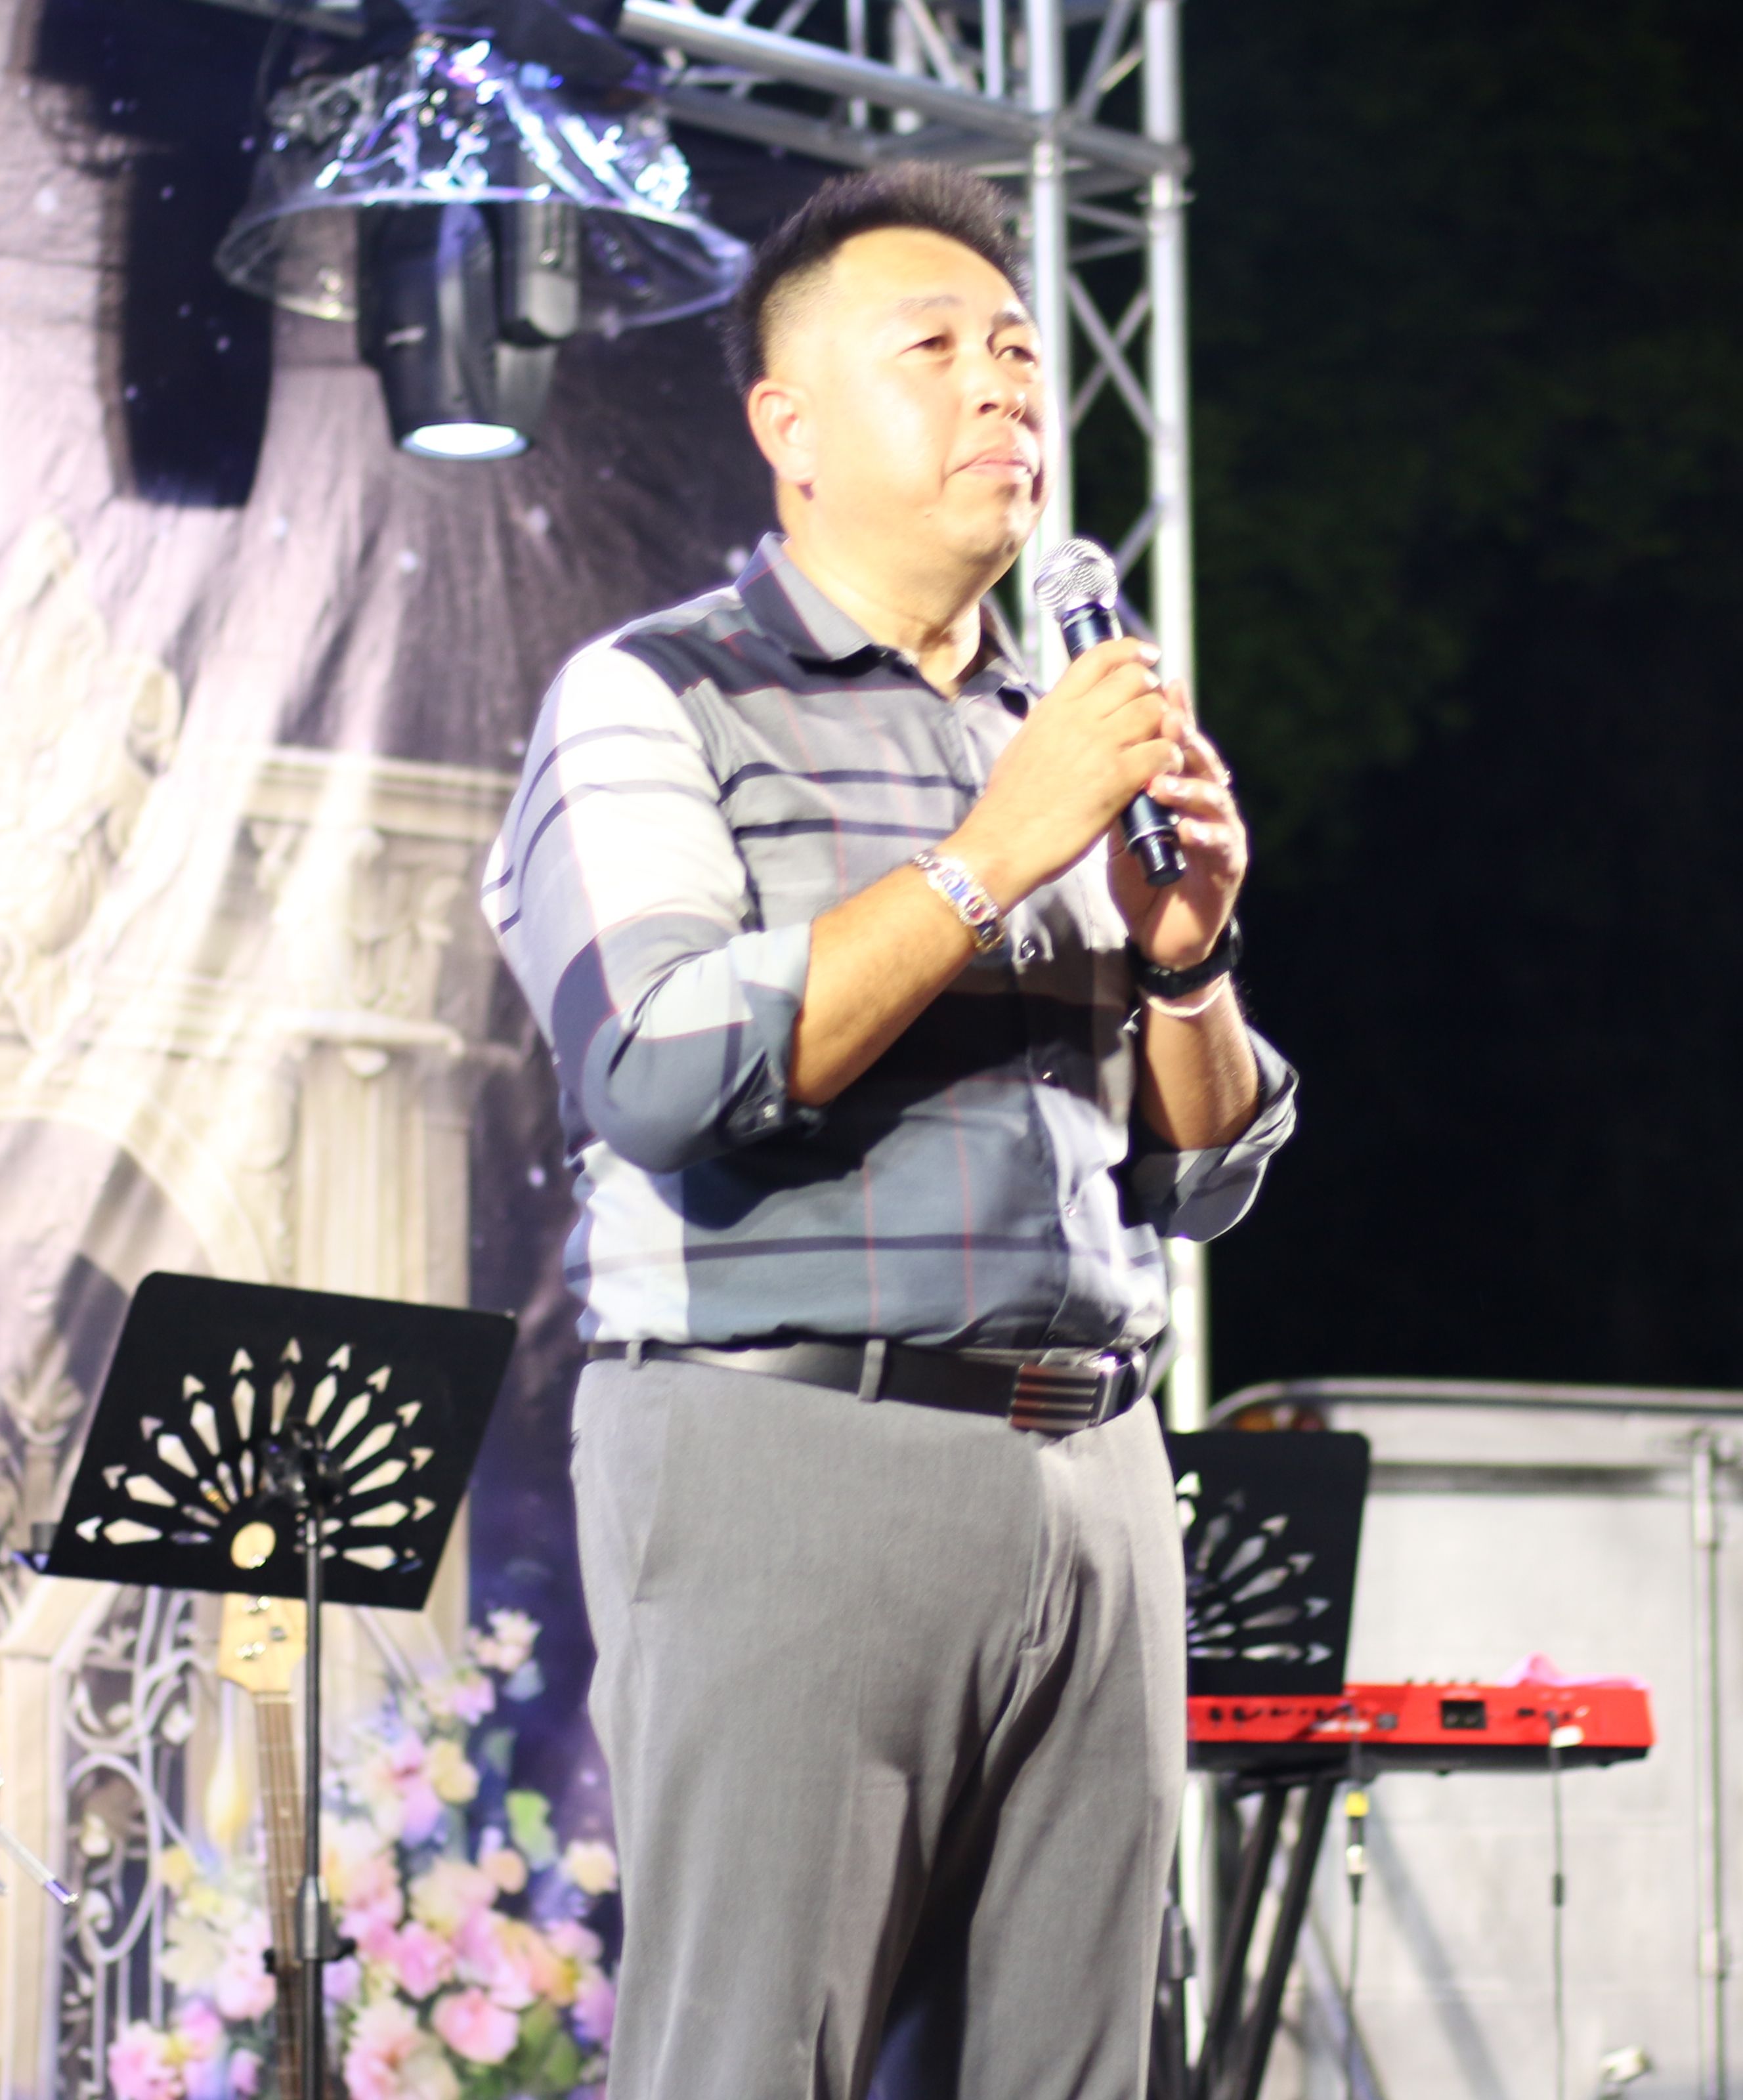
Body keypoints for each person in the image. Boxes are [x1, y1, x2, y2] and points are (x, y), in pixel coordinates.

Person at [481, 162, 1297, 2099]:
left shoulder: (1056, 727)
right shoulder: (656, 697)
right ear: (791, 428)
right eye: (932, 348)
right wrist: (997, 850)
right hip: (791, 1445)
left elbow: (1194, 1179)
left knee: (1080, 2073)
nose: (1002, 385)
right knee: (755, 2059)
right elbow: (659, 1068)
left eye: (1017, 348)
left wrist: (1188, 961)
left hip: (1097, 1467)